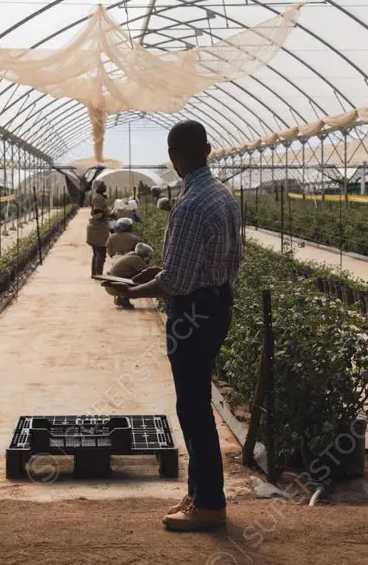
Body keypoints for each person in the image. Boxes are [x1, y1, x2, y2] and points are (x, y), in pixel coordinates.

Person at [106, 120, 242, 532]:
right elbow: (220, 261)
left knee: (193, 407)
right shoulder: (223, 196)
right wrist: (161, 273)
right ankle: (200, 492)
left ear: (174, 157)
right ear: (209, 148)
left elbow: (178, 282)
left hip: (193, 315)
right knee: (197, 402)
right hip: (218, 306)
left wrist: (133, 288)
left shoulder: (190, 205)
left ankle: (209, 504)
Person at [106, 243, 153, 309]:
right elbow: (148, 271)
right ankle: (123, 298)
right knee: (140, 279)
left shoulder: (131, 255)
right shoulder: (136, 259)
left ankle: (121, 298)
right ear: (143, 254)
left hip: (112, 283)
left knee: (135, 275)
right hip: (114, 286)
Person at [85, 181, 109, 277]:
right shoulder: (98, 198)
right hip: (98, 229)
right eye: (103, 185)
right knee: (101, 252)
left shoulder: (98, 196)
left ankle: (94, 274)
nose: (105, 186)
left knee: (96, 253)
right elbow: (98, 214)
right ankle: (98, 274)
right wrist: (109, 214)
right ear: (98, 187)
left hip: (96, 228)